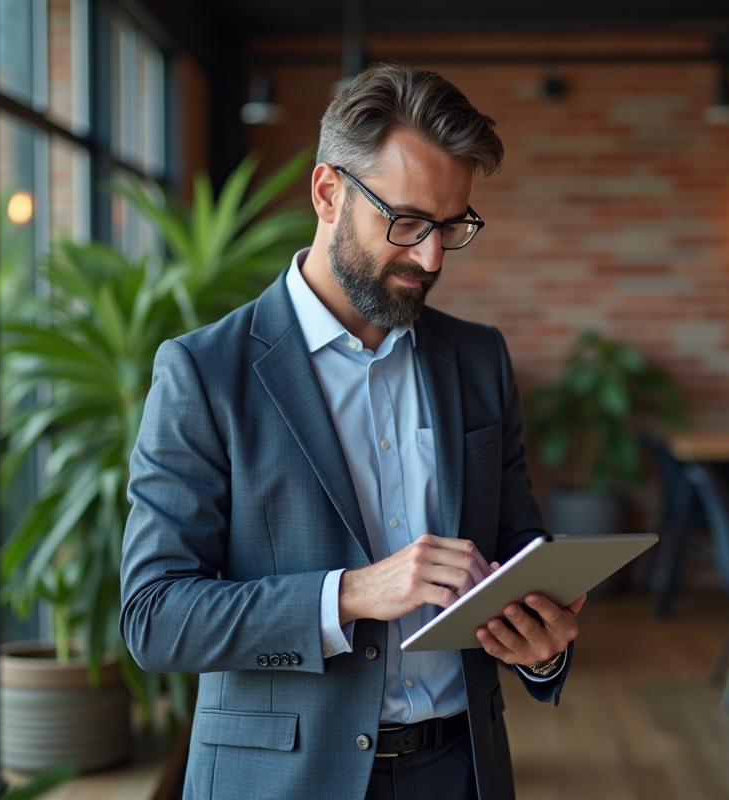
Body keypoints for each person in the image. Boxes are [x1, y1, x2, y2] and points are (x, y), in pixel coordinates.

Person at [120, 63, 585, 800]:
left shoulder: (479, 360)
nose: (430, 257)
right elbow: (154, 617)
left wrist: (541, 648)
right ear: (328, 192)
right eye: (406, 222)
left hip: (457, 771)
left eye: (451, 226)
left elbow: (514, 558)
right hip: (281, 780)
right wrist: (351, 593)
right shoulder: (205, 373)